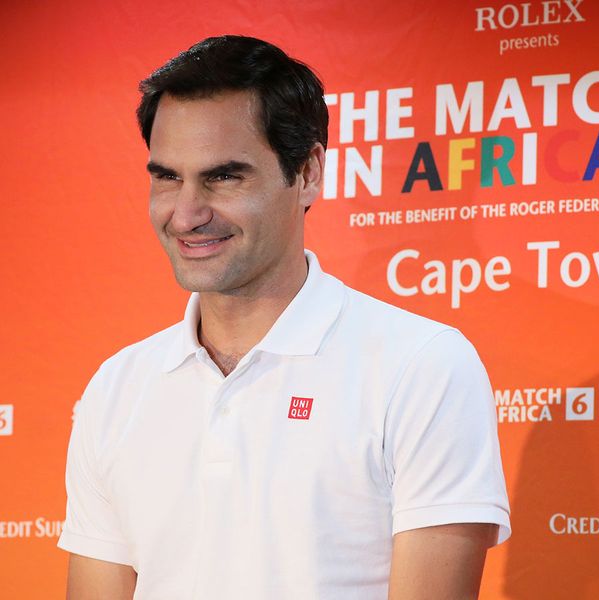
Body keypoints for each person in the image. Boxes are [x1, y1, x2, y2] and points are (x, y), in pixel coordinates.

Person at [57, 35, 510, 599]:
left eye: (224, 177)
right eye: (167, 177)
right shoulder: (116, 388)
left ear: (308, 173)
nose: (187, 213)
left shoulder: (420, 366)